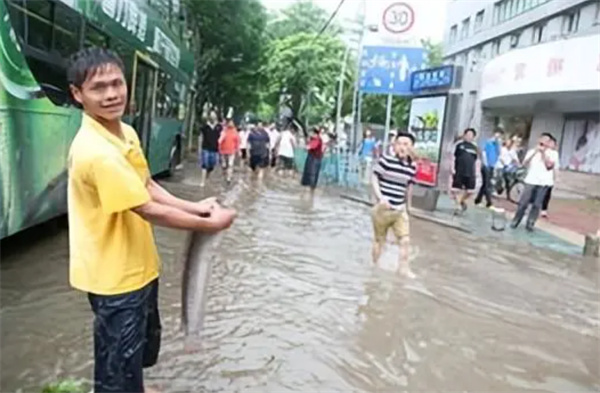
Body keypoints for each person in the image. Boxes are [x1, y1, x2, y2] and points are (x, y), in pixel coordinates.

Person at [66, 47, 237, 393]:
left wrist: (194, 208)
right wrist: (208, 225)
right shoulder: (95, 151)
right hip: (114, 279)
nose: (112, 94)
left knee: (135, 354)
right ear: (77, 94)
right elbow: (145, 208)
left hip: (140, 266)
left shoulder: (124, 132)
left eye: (117, 83)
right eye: (99, 87)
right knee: (116, 367)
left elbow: (145, 185)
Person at [371, 132, 417, 278]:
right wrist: (380, 197)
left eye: (406, 144)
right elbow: (374, 177)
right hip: (383, 209)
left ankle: (403, 269)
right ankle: (374, 266)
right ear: (394, 146)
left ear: (411, 148)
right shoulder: (386, 161)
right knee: (380, 241)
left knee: (405, 240)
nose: (402, 147)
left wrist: (408, 207)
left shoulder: (412, 167)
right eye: (400, 144)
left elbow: (409, 187)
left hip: (399, 209)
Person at [510, 133, 559, 231]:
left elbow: (549, 166)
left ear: (549, 143)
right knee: (523, 202)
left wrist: (543, 153)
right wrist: (535, 152)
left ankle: (530, 223)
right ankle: (516, 220)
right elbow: (524, 164)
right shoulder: (532, 151)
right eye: (543, 139)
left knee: (537, 204)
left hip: (544, 182)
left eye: (547, 140)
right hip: (531, 180)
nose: (544, 142)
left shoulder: (553, 154)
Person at [450, 128, 480, 214]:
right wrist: (452, 168)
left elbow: (477, 160)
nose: (469, 136)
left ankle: (461, 201)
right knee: (455, 190)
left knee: (470, 191)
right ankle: (458, 206)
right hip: (459, 170)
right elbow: (453, 156)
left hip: (470, 172)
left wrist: (477, 172)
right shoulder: (458, 145)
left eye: (471, 135)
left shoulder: (475, 147)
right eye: (467, 134)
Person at [475, 128, 504, 208]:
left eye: (500, 135)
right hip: (486, 166)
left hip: (492, 166)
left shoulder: (497, 144)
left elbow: (499, 154)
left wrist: (499, 145)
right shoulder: (488, 142)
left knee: (485, 184)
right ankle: (489, 202)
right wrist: (485, 164)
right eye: (498, 134)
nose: (499, 137)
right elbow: (483, 153)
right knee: (488, 185)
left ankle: (478, 200)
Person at [199, 111, 222, 187]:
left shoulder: (219, 127)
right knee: (204, 164)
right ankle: (202, 181)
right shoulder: (205, 127)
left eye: (214, 115)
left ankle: (207, 176)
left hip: (215, 149)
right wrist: (200, 148)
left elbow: (222, 137)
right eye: (211, 115)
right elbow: (201, 137)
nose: (212, 117)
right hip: (205, 148)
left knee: (212, 165)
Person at [301, 127, 324, 193]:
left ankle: (310, 192)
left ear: (314, 132)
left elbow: (311, 146)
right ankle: (309, 191)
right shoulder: (313, 139)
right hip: (312, 158)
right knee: (309, 176)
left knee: (311, 176)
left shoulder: (317, 139)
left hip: (314, 159)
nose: (309, 134)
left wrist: (306, 147)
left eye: (310, 132)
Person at [541, 135, 559, 218]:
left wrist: (556, 177)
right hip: (540, 177)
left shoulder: (555, 154)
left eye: (553, 143)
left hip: (549, 178)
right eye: (550, 142)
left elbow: (556, 166)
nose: (551, 144)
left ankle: (544, 210)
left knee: (547, 194)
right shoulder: (543, 151)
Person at [219, 118, 240, 184]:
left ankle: (229, 178)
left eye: (232, 123)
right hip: (223, 150)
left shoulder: (235, 132)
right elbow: (220, 141)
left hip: (232, 151)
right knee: (224, 165)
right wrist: (219, 149)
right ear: (227, 123)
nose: (231, 124)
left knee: (230, 165)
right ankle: (224, 174)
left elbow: (237, 142)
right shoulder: (224, 131)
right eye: (230, 123)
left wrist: (238, 150)